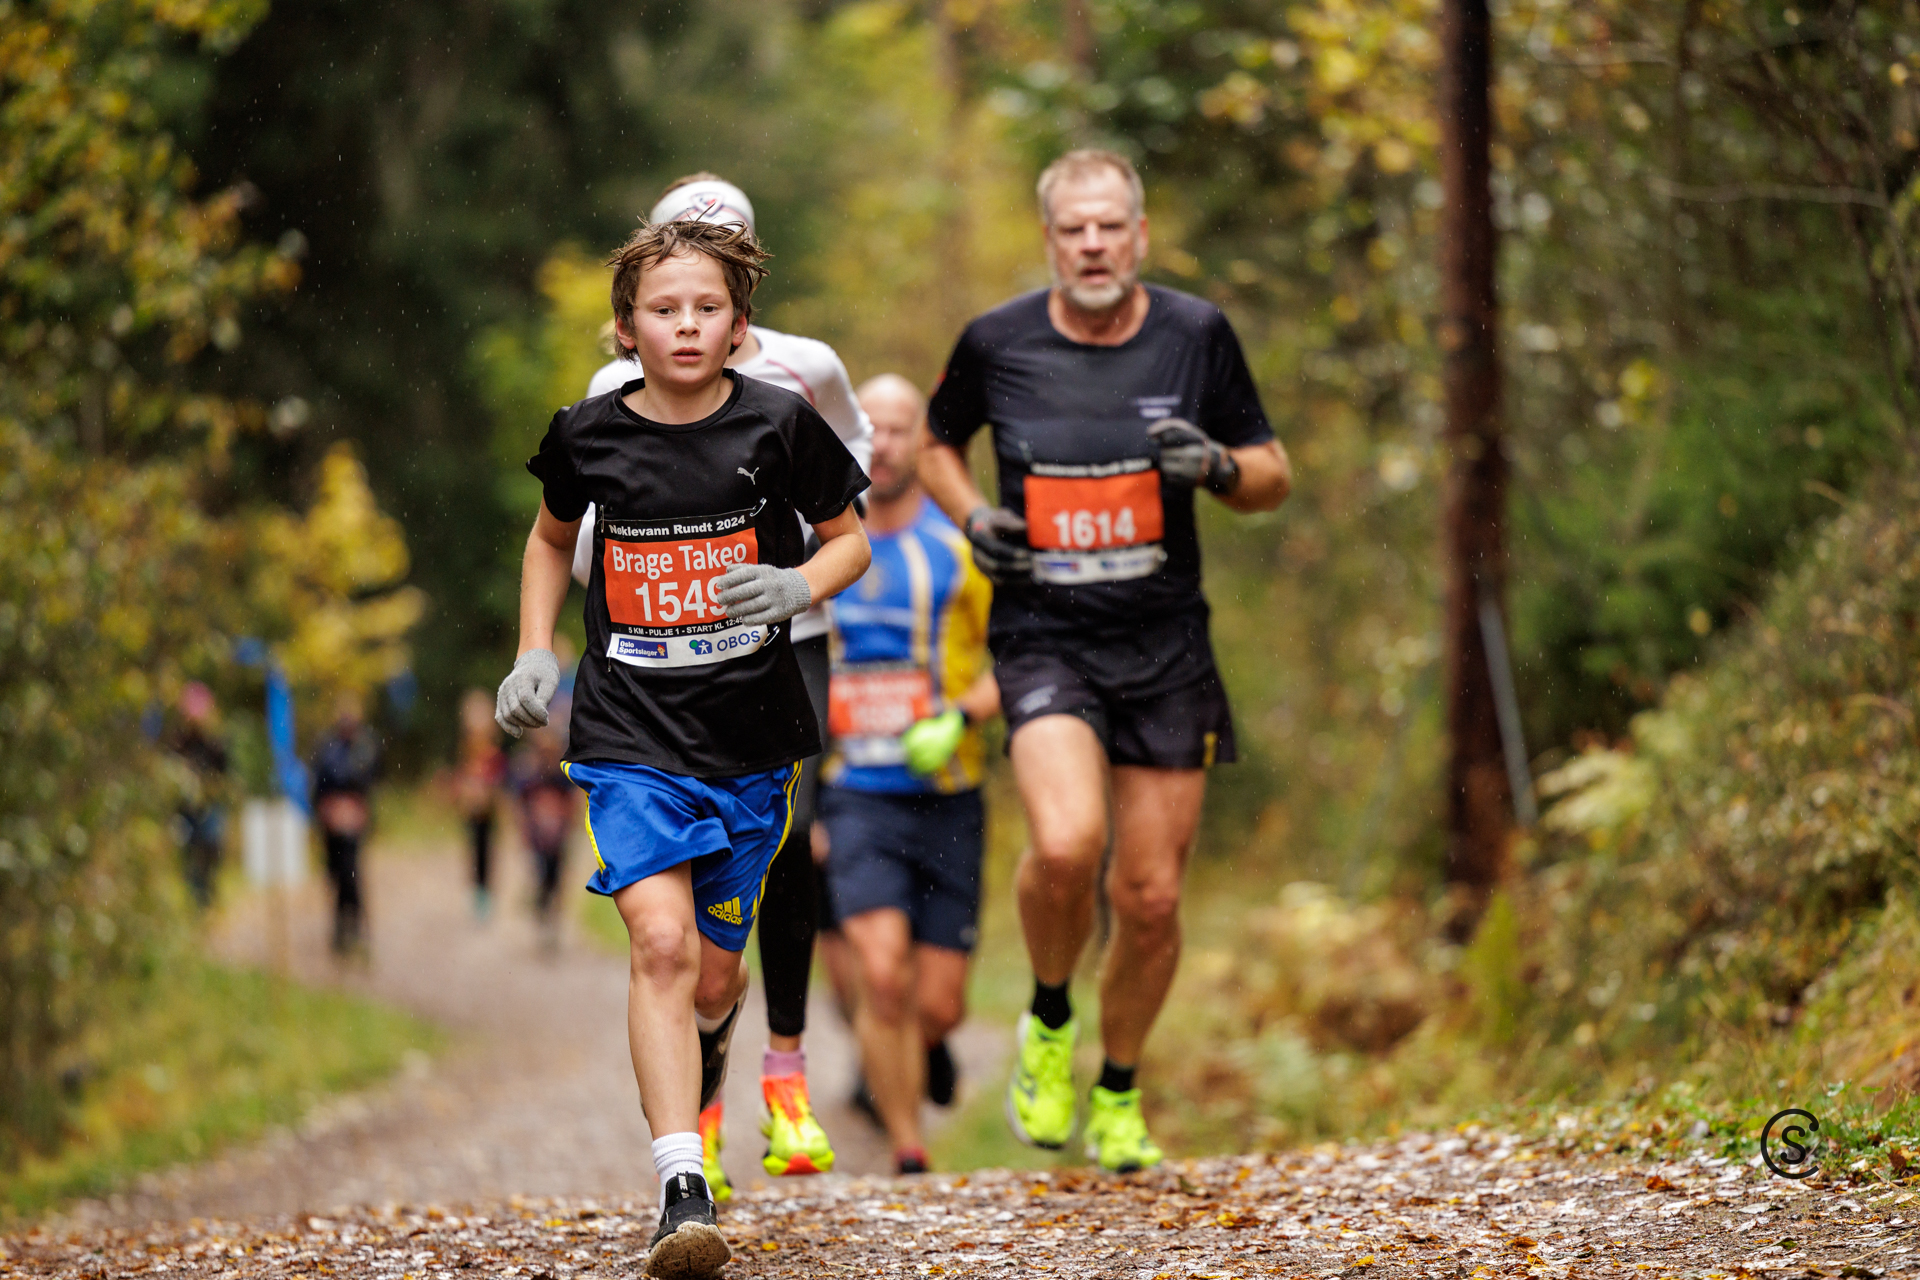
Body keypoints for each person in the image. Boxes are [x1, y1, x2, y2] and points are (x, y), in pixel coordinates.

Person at [496, 216, 869, 1279]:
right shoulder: (587, 433)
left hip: (751, 739)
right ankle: (680, 1188)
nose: (688, 325)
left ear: (739, 324)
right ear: (628, 328)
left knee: (712, 977)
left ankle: (713, 1044)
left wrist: (797, 585)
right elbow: (548, 540)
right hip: (629, 732)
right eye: (665, 309)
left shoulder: (781, 422)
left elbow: (851, 541)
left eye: (709, 307)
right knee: (658, 945)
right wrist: (534, 652)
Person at [919, 149, 1292, 1173]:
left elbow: (1272, 473)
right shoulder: (997, 340)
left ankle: (1118, 1088)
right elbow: (938, 444)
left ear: (1139, 235)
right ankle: (1049, 1020)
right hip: (1045, 636)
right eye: (1073, 229)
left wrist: (1217, 466)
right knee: (1069, 838)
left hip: (1166, 647)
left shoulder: (1195, 334)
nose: (1092, 245)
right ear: (1049, 240)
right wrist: (974, 517)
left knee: (1152, 897)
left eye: (1109, 227)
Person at [820, 373, 997, 1175]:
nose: (883, 444)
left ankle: (929, 1044)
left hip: (950, 796)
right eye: (871, 429)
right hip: (857, 798)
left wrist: (963, 716)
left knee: (939, 1004)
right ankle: (907, 1150)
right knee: (880, 976)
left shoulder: (960, 550)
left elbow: (1022, 657)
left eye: (899, 429)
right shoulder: (817, 548)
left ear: (924, 444)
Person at [310, 692, 382, 957]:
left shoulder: (365, 745)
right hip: (331, 822)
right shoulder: (326, 744)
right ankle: (341, 928)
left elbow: (368, 779)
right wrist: (327, 809)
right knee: (335, 874)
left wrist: (354, 808)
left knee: (350, 874)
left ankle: (353, 928)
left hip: (353, 821)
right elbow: (318, 780)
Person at [514, 724, 575, 953]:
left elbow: (573, 804)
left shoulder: (563, 778)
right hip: (537, 842)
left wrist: (570, 828)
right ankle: (541, 916)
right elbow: (519, 806)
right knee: (540, 879)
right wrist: (522, 832)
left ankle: (552, 922)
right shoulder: (530, 777)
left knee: (556, 881)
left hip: (558, 842)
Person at [169, 681, 230, 910]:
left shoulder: (215, 740)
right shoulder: (180, 740)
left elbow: (223, 770)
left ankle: (206, 896)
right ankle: (195, 899)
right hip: (187, 808)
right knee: (189, 854)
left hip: (209, 806)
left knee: (210, 850)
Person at [454, 688, 507, 919]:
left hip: (488, 811)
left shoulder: (493, 753)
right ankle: (478, 891)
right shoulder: (466, 750)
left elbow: (498, 780)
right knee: (474, 850)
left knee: (486, 850)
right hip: (472, 811)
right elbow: (462, 778)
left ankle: (484, 893)